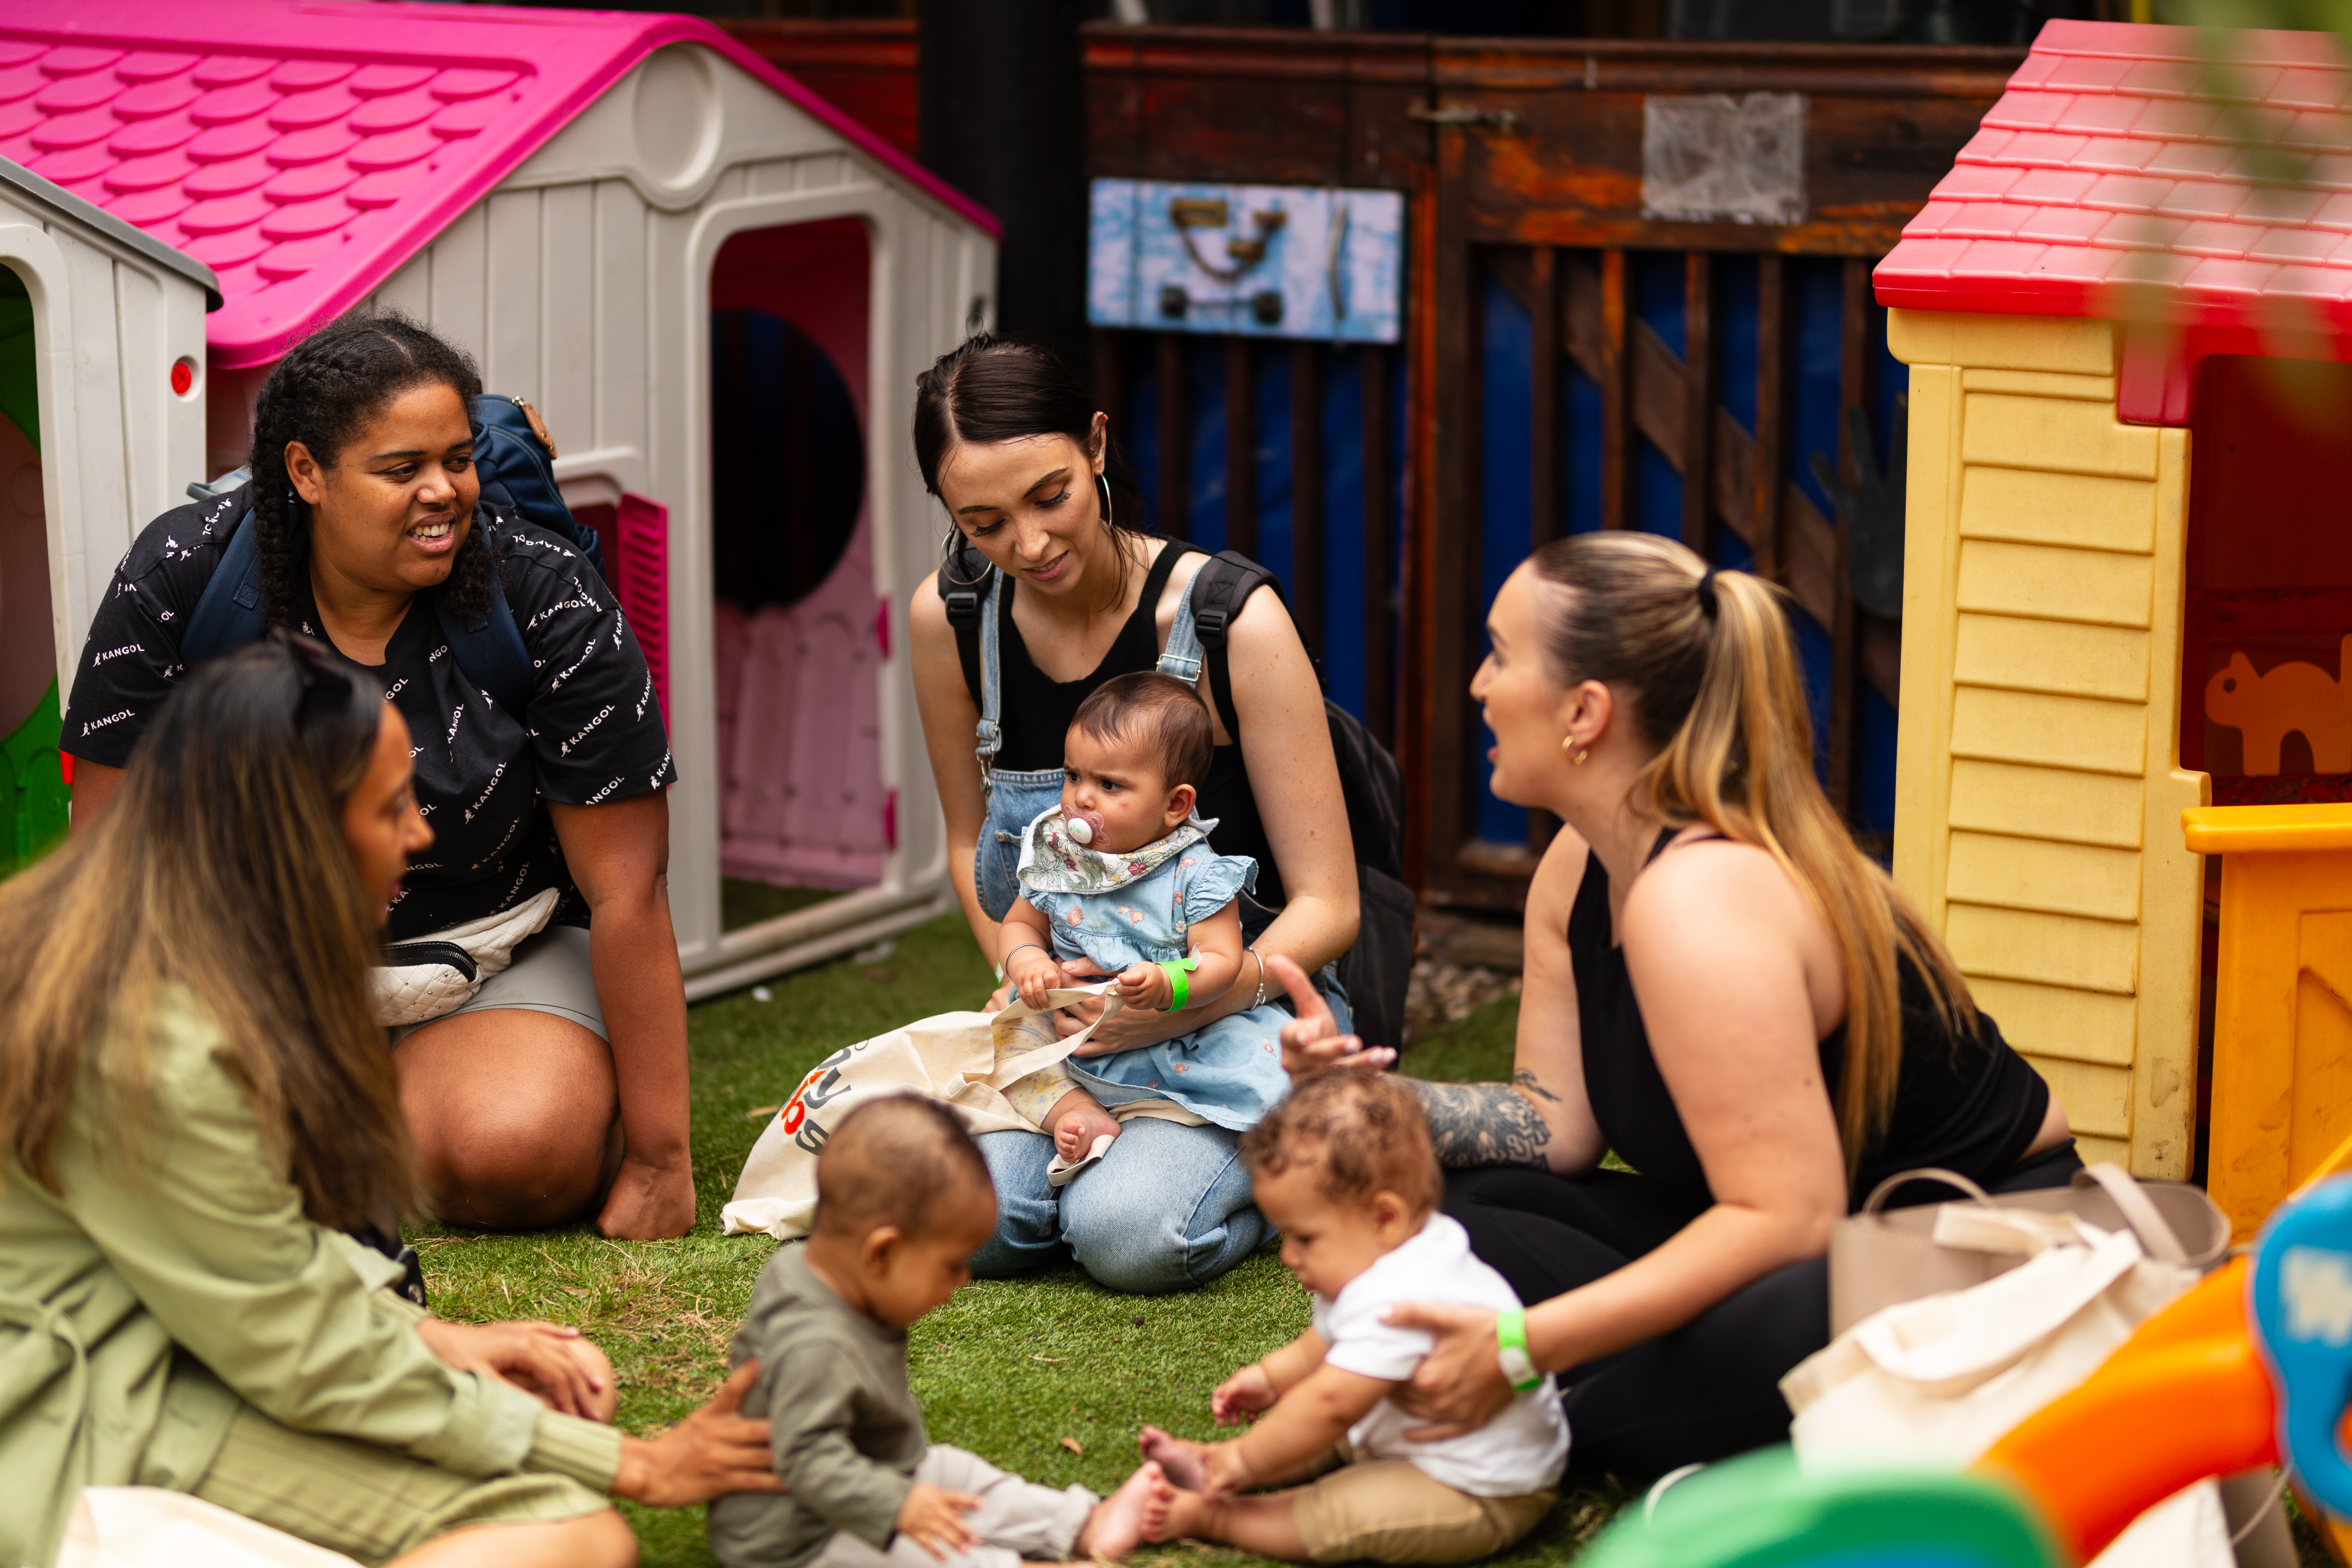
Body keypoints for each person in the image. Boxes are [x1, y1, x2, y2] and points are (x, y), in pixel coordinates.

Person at [1269, 533, 2079, 1483]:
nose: (1477, 686)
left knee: (1599, 1406)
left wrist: (1522, 1341)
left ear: (1584, 711)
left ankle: (1616, 1400)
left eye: (1499, 653)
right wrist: (1372, 1098)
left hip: (1970, 1248)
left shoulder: (1700, 896)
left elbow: (1788, 1217)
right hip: (1814, 1234)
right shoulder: (1578, 867)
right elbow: (1553, 1123)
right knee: (1455, 1214)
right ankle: (1655, 1387)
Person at [0, 635, 778, 1568]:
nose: (419, 832)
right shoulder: (156, 1035)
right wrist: (636, 1462)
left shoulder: (150, 942)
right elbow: (294, 1345)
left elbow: (253, 1253)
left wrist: (436, 1339)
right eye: (390, 806)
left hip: (158, 1345)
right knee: (566, 1531)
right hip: (80, 1414)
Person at [59, 312, 691, 1238]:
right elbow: (111, 866)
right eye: (402, 469)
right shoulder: (183, 572)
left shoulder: (544, 594)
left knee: (514, 1149)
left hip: (489, 954)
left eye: (460, 459)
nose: (443, 492)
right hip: (252, 970)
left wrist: (659, 1158)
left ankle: (374, 1127)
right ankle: (349, 1128)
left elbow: (628, 888)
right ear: (306, 474)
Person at [908, 334, 1360, 1293]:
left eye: (1049, 496)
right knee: (959, 1216)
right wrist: (1024, 972)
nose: (1028, 546)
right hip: (1072, 1030)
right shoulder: (949, 618)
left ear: (1097, 446)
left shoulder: (1227, 618)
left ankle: (1301, 1132)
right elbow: (964, 842)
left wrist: (1169, 1007)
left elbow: (1329, 905)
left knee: (1126, 1236)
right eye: (982, 522)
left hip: (1238, 1014)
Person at [1125, 1072, 1565, 1566]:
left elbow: (1331, 1402)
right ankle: (1208, 1465)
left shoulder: (1404, 1294)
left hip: (1476, 1490)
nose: (1288, 1256)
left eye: (1305, 1238)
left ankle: (1218, 1515)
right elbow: (1323, 1344)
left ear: (1384, 1217)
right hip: (1400, 1430)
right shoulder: (1381, 1252)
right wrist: (1272, 1378)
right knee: (1314, 1432)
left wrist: (1244, 1461)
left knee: (1342, 1506)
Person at [708, 1095, 1161, 1568]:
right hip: (796, 1537)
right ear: (882, 1254)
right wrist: (897, 1505)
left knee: (954, 1474)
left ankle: (1082, 1525)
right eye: (949, 1266)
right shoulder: (816, 1344)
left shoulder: (807, 1269)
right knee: (912, 1554)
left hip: (875, 1471)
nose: (961, 1280)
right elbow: (803, 1460)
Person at [997, 673, 1289, 1178]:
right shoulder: (1060, 854)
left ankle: (1217, 1141)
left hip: (1168, 1035)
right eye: (1073, 776)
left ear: (1176, 804)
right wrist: (1027, 960)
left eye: (1110, 785)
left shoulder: (1195, 872)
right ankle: (1072, 1110)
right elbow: (1020, 924)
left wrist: (1168, 984)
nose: (1080, 799)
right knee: (1005, 1036)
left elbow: (1224, 960)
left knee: (1245, 1075)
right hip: (1071, 1027)